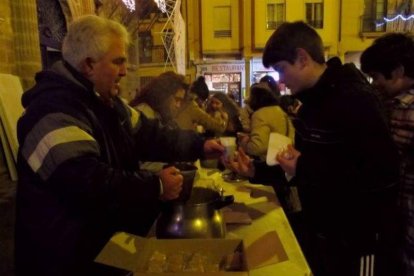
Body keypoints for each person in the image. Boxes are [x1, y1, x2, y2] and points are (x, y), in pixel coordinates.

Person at [15, 15, 224, 276]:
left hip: (100, 252)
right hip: (63, 261)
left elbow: (150, 134)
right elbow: (88, 182)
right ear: (89, 65)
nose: (125, 71)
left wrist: (199, 146)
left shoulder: (107, 103)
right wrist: (155, 186)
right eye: (118, 62)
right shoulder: (51, 112)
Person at [226, 21, 400, 276]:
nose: (281, 81)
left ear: (302, 58)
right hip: (322, 233)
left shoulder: (356, 98)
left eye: (281, 70)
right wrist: (256, 171)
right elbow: (300, 166)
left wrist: (304, 166)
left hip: (359, 239)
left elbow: (383, 175)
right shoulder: (311, 105)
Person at [360, 33, 414, 276]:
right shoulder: (391, 103)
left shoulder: (406, 109)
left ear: (399, 71)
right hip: (399, 211)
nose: (374, 83)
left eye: (377, 77)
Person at [239, 82, 294, 160]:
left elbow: (257, 147)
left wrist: (244, 144)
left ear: (256, 98)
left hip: (268, 162)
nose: (249, 99)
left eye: (251, 96)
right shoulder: (280, 111)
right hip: (285, 159)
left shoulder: (260, 114)